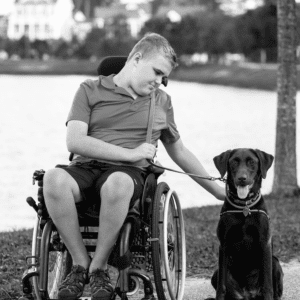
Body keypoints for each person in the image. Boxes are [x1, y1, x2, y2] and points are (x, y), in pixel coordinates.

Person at [43, 32, 225, 300]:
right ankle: (80, 264)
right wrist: (130, 152)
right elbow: (75, 141)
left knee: (118, 182)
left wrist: (219, 191)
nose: (160, 81)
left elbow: (180, 151)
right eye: (158, 72)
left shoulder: (161, 102)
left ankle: (99, 267)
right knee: (53, 178)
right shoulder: (89, 89)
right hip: (86, 166)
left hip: (129, 177)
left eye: (165, 78)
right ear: (137, 59)